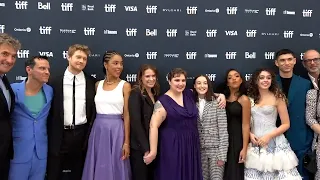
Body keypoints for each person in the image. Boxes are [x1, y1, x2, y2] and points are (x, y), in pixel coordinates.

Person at [47, 44, 96, 180]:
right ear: (68, 57)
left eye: (84, 59)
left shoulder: (91, 82)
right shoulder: (54, 81)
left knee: (79, 171)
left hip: (82, 134)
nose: (81, 61)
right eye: (78, 57)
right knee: (54, 171)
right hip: (59, 134)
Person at [143, 68, 203, 180]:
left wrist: (221, 96)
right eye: (177, 80)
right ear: (169, 81)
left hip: (191, 145)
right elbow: (153, 126)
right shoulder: (163, 102)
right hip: (172, 146)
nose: (181, 83)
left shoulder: (189, 94)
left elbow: (207, 93)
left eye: (183, 80)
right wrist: (153, 151)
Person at [82, 50, 131, 180]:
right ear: (106, 65)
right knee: (99, 164)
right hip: (98, 130)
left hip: (117, 131)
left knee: (116, 165)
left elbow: (126, 115)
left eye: (121, 63)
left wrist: (126, 142)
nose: (119, 67)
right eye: (115, 63)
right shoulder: (98, 85)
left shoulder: (125, 86)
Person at [245, 68, 301, 179]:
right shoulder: (248, 98)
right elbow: (245, 122)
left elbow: (286, 124)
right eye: (261, 78)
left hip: (274, 142)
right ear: (256, 80)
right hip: (255, 143)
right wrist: (250, 134)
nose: (265, 80)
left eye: (268, 78)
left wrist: (269, 136)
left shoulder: (278, 97)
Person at [9, 56, 52, 180]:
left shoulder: (50, 91)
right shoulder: (13, 90)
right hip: (17, 152)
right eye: (42, 68)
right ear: (29, 69)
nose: (47, 72)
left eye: (48, 69)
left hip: (41, 153)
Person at [275, 49, 313, 179]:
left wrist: (307, 138)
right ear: (276, 63)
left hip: (299, 139)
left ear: (295, 61)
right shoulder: (269, 83)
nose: (286, 63)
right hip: (275, 137)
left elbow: (310, 112)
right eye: (282, 60)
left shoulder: (305, 84)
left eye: (289, 59)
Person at [192, 75, 228, 180]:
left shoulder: (217, 102)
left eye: (205, 83)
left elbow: (223, 130)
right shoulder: (190, 102)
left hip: (216, 151)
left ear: (208, 85)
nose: (202, 86)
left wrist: (222, 155)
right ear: (194, 86)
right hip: (199, 151)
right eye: (198, 83)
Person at [128, 64, 160, 180]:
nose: (151, 79)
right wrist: (146, 149)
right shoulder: (135, 93)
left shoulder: (155, 93)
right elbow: (135, 122)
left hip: (153, 145)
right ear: (140, 77)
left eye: (153, 76)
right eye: (147, 76)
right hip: (140, 147)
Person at [221, 69, 250, 180]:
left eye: (236, 76)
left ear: (241, 80)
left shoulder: (244, 99)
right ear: (227, 82)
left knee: (234, 172)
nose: (233, 78)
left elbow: (246, 125)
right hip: (223, 139)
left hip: (237, 140)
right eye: (230, 77)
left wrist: (244, 148)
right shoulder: (222, 98)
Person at [0, 33, 21, 180]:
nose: (10, 60)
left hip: (4, 153)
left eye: (13, 56)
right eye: (5, 54)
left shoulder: (4, 80)